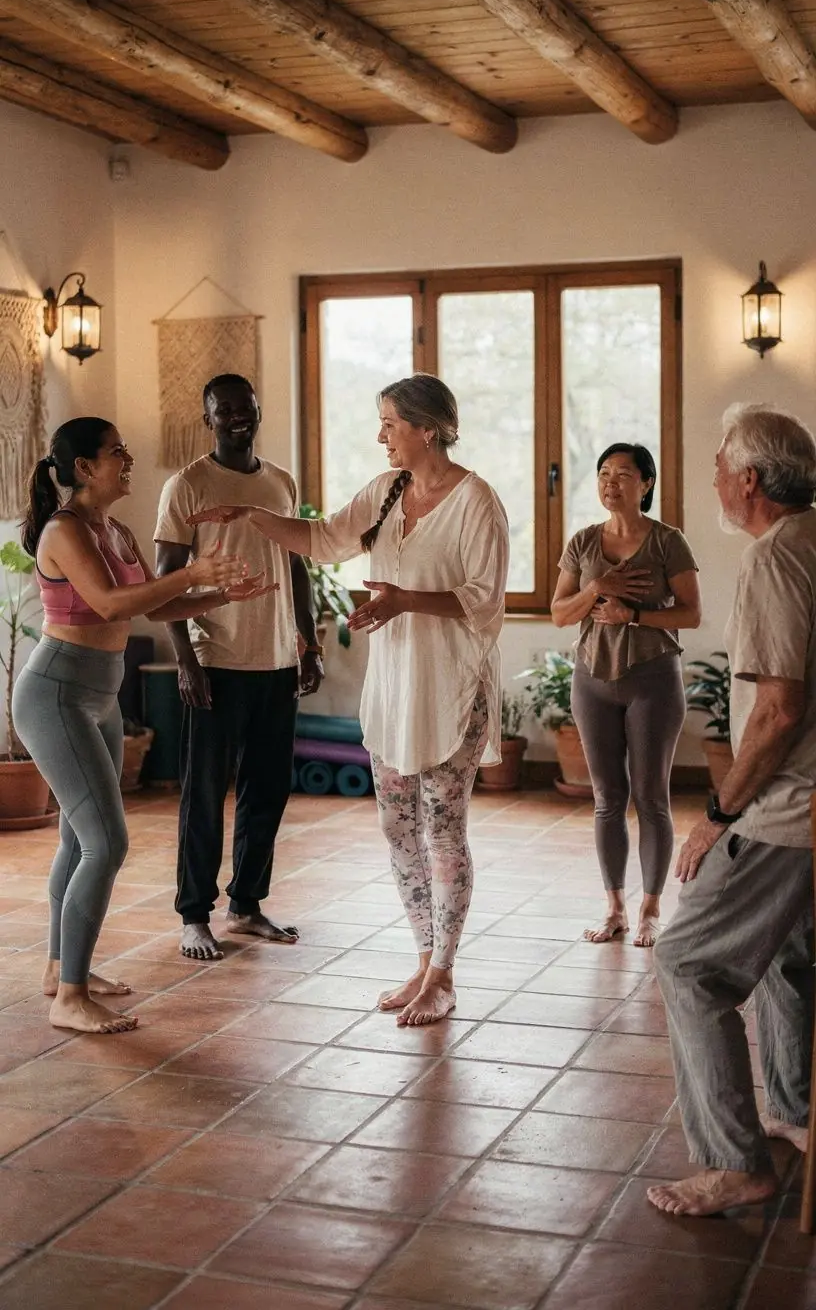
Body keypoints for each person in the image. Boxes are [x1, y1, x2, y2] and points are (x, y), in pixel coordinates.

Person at [188, 372, 509, 1025]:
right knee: (396, 826)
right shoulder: (387, 491)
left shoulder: (478, 502)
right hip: (394, 688)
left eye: (391, 423)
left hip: (454, 689)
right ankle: (423, 959)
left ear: (428, 428)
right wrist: (255, 518)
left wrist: (403, 600)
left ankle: (444, 974)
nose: (381, 434)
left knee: (443, 830)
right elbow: (325, 538)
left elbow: (486, 603)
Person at [13, 417, 259, 1035]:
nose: (128, 458)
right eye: (116, 452)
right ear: (83, 468)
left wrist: (221, 596)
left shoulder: (114, 530)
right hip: (57, 692)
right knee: (107, 842)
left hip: (99, 691)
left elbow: (154, 601)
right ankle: (70, 997)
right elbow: (109, 604)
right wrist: (195, 572)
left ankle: (59, 970)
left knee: (79, 841)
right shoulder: (64, 530)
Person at [647, 403, 816, 1218]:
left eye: (719, 463)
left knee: (686, 962)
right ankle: (794, 1108)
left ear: (750, 480)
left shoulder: (777, 560)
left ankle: (733, 1162)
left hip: (789, 814)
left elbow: (778, 710)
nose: (713, 475)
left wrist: (718, 811)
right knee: (786, 955)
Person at [154, 373, 323, 963]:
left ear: (258, 411)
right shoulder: (187, 486)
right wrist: (187, 661)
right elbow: (165, 584)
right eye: (223, 411)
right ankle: (194, 915)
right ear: (208, 419)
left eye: (245, 408)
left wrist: (308, 642)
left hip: (277, 660)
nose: (236, 418)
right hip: (215, 662)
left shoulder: (280, 482)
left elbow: (297, 565)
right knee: (204, 795)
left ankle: (247, 906)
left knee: (268, 792)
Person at [551, 443, 701, 947]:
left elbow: (691, 614)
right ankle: (614, 907)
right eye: (603, 473)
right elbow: (560, 613)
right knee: (606, 799)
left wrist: (632, 615)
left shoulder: (667, 542)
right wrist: (599, 588)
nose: (611, 482)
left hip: (653, 679)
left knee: (651, 797)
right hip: (592, 679)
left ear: (647, 483)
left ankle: (651, 909)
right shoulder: (582, 542)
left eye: (623, 474)